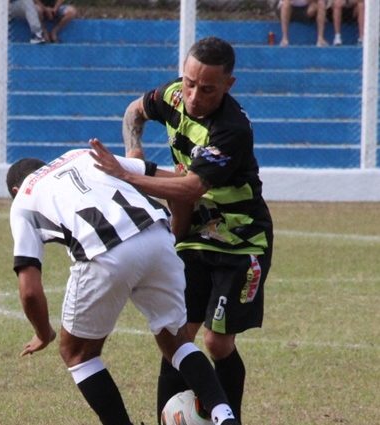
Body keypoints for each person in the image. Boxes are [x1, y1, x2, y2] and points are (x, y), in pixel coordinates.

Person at [93, 36, 273, 423]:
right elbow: (134, 111)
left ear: (228, 85)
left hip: (240, 241)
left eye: (207, 89)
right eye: (190, 83)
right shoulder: (173, 95)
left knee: (217, 343)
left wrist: (128, 174)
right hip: (193, 235)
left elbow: (191, 187)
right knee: (177, 336)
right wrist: (134, 150)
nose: (193, 96)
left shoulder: (232, 130)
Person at [6, 146, 241, 425]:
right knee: (177, 342)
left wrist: (43, 333)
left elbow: (30, 291)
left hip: (104, 254)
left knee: (77, 354)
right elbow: (172, 183)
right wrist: (174, 234)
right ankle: (224, 416)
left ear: (15, 189)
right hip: (158, 236)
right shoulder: (81, 154)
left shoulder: (24, 198)